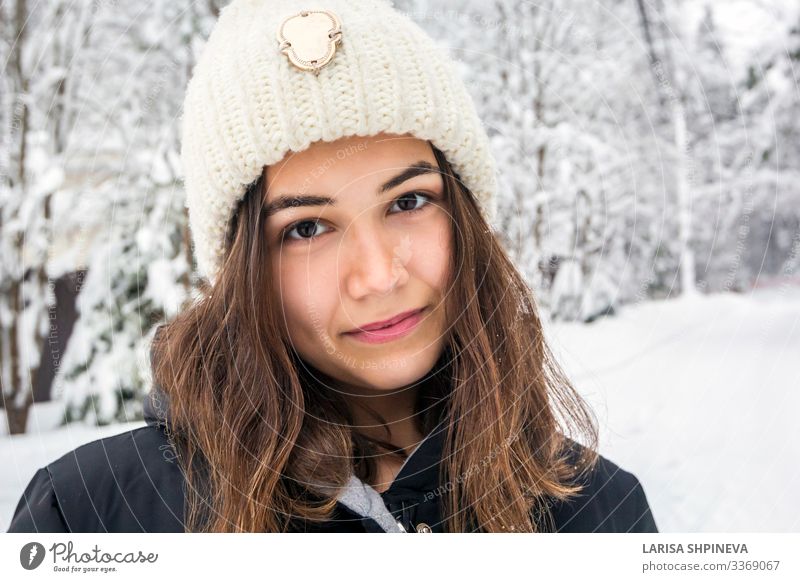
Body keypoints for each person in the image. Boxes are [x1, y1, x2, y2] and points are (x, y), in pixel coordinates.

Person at [7, 0, 658, 534]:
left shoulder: (601, 515)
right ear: (242, 272)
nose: (377, 276)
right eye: (307, 228)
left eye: (408, 201)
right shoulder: (87, 518)